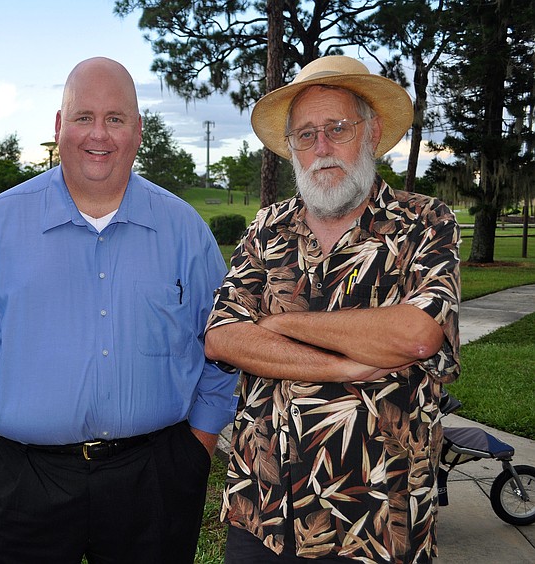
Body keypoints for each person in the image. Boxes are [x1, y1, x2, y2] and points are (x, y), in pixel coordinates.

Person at [0, 57, 236, 563]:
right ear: (59, 126)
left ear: (138, 130)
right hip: (20, 482)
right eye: (84, 116)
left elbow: (223, 342)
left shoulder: (184, 231)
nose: (99, 134)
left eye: (116, 118)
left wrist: (197, 445)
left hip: (152, 476)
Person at [204, 55, 461, 563]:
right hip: (262, 514)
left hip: (378, 522)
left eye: (337, 129)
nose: (321, 148)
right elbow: (222, 337)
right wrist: (346, 363)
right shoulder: (267, 229)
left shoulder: (424, 222)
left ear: (372, 131)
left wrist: (277, 324)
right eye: (305, 135)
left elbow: (415, 335)